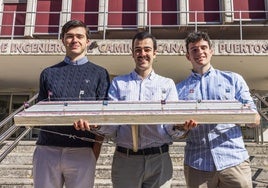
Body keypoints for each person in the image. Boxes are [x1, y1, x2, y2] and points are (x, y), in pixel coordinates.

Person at [74, 31, 197, 188]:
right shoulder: (119, 83)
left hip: (159, 160)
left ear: (155, 53)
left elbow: (170, 128)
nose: (142, 54)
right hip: (126, 160)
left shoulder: (167, 84)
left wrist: (181, 127)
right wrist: (96, 126)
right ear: (132, 53)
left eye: (147, 49)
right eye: (138, 50)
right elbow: (112, 128)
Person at [176, 30, 261, 188]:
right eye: (194, 49)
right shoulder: (179, 90)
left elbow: (254, 118)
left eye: (203, 47)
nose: (199, 52)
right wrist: (183, 128)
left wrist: (248, 118)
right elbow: (176, 131)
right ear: (188, 56)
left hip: (234, 160)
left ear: (211, 51)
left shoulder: (233, 80)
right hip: (197, 163)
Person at [32, 20, 110, 188]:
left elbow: (103, 117)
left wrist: (94, 151)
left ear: (87, 41)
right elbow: (40, 113)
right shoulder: (48, 74)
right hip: (47, 150)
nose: (75, 40)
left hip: (82, 151)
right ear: (62, 40)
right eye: (69, 36)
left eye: (79, 36)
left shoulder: (100, 74)